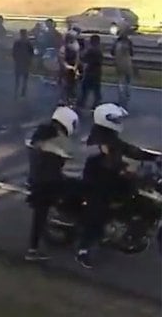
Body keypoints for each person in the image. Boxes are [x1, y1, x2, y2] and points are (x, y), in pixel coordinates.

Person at [75, 103, 161, 269]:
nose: (119, 121)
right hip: (97, 182)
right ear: (106, 120)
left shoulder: (110, 136)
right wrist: (126, 170)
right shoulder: (97, 140)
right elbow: (108, 163)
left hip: (110, 178)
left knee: (136, 195)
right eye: (116, 119)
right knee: (98, 211)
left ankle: (130, 227)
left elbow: (130, 150)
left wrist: (155, 157)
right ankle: (83, 250)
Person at [25, 106, 79, 261]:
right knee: (79, 189)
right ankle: (32, 251)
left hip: (41, 179)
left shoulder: (43, 132)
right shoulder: (54, 139)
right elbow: (70, 155)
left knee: (40, 215)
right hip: (46, 183)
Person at [77, 35, 103, 110]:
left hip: (90, 72)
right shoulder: (99, 50)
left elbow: (83, 58)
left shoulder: (91, 50)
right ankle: (96, 104)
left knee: (85, 89)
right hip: (97, 72)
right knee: (96, 90)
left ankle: (81, 103)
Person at [111, 31, 134, 109]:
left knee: (120, 81)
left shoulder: (116, 43)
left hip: (119, 64)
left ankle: (121, 99)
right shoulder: (128, 43)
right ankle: (127, 96)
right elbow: (132, 53)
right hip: (128, 64)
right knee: (128, 82)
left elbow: (112, 52)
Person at [58, 32, 80, 105]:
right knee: (67, 84)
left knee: (71, 85)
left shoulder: (73, 47)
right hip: (67, 69)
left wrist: (75, 68)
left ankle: (69, 99)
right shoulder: (65, 48)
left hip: (70, 69)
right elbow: (62, 59)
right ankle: (66, 99)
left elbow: (77, 59)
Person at [12, 29, 34, 98]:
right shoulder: (28, 43)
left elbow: (14, 52)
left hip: (19, 62)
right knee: (24, 78)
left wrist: (15, 59)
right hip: (25, 62)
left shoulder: (17, 42)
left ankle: (17, 91)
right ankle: (23, 91)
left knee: (18, 78)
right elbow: (31, 53)